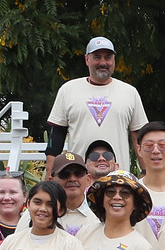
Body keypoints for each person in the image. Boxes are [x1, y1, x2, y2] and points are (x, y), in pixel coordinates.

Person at [46, 37, 148, 179]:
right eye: (97, 57)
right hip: (78, 177)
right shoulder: (68, 89)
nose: (103, 63)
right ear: (87, 59)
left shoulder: (129, 92)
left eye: (108, 57)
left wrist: (145, 171)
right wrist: (50, 175)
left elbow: (139, 136)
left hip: (118, 177)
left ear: (114, 60)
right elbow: (56, 136)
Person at [50, 157, 95, 238]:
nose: (72, 179)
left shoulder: (102, 211)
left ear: (88, 179)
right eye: (64, 174)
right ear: (51, 181)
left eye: (78, 173)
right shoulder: (39, 212)